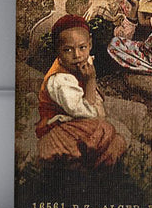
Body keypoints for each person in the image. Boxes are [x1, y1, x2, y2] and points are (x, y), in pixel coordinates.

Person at [36, 15, 128, 166]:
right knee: (106, 129)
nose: (77, 55)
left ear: (89, 44)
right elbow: (87, 114)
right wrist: (90, 81)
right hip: (58, 131)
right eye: (68, 50)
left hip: (77, 125)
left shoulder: (80, 63)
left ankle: (101, 171)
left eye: (82, 47)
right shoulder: (60, 80)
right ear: (57, 50)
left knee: (117, 142)